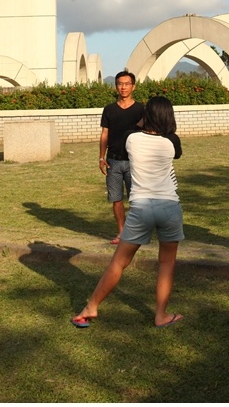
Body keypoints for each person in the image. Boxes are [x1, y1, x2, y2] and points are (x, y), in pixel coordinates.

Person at [72, 95, 184, 329]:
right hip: (169, 205)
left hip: (141, 206)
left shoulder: (131, 138)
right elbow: (176, 152)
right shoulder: (171, 141)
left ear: (147, 116)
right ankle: (161, 315)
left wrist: (142, 123)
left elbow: (126, 139)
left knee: (119, 262)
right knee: (166, 263)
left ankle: (91, 307)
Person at [98, 70, 145, 244]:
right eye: (120, 84)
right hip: (113, 161)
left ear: (133, 86)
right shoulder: (109, 110)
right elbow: (104, 134)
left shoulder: (141, 110)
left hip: (135, 162)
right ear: (116, 86)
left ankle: (136, 233)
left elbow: (148, 134)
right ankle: (121, 233)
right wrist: (101, 157)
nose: (123, 87)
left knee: (137, 200)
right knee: (116, 199)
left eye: (127, 84)